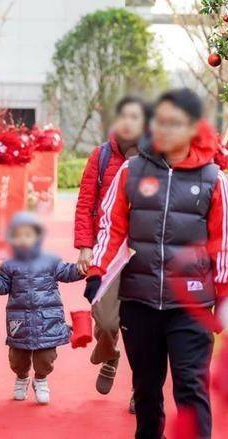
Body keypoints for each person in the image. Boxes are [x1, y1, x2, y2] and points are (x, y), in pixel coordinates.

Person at [84, 88, 228, 439]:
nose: (164, 130)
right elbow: (111, 226)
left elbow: (224, 241)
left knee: (191, 387)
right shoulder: (131, 170)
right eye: (160, 122)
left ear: (193, 127)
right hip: (140, 302)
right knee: (146, 391)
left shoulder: (213, 178)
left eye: (175, 123)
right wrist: (97, 270)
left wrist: (224, 293)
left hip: (192, 305)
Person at [74, 96, 150, 403]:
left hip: (145, 253)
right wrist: (85, 246)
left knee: (143, 328)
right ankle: (110, 354)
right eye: (123, 116)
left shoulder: (155, 158)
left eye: (135, 116)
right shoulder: (102, 155)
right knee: (105, 321)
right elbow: (85, 202)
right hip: (108, 252)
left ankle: (140, 390)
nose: (127, 122)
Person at [0, 211, 84, 404]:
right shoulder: (9, 265)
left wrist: (80, 269)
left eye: (28, 235)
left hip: (47, 319)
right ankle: (21, 377)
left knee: (46, 356)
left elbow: (66, 272)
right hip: (19, 321)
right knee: (17, 358)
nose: (23, 239)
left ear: (38, 236)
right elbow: (2, 285)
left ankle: (40, 379)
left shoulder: (51, 261)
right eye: (18, 235)